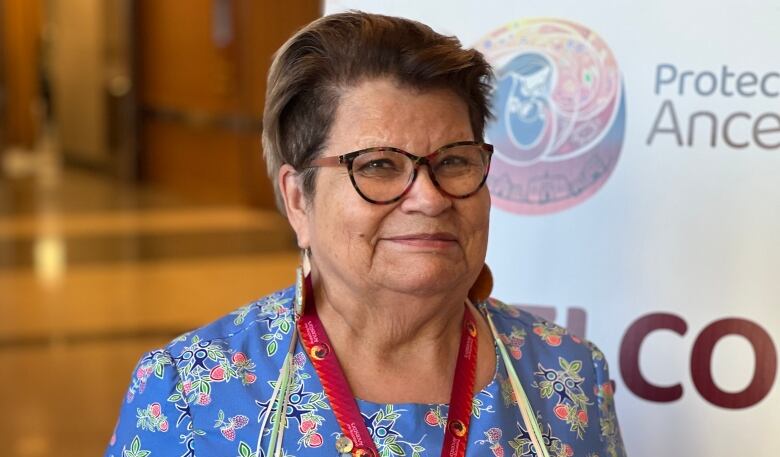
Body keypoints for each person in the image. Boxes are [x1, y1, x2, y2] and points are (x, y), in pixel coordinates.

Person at [106, 12, 626, 457]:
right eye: (378, 165)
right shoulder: (191, 394)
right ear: (297, 199)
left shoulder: (567, 376)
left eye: (454, 161)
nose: (429, 196)